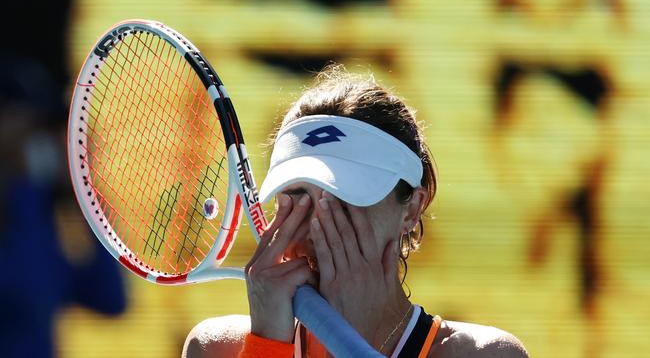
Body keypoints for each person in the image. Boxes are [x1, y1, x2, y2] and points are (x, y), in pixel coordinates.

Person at [183, 65, 529, 357]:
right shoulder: (215, 348)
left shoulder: (487, 354)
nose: (319, 225)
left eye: (345, 199)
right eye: (298, 196)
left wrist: (351, 341)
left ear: (412, 209)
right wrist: (266, 346)